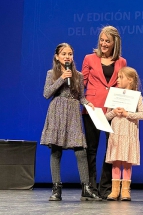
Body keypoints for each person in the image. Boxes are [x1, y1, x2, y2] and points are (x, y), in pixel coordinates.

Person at [40, 43, 99, 201]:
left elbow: (80, 96)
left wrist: (87, 103)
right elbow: (46, 93)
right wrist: (61, 79)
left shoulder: (78, 75)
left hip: (73, 112)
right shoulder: (51, 73)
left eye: (70, 54)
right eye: (64, 54)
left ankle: (86, 188)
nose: (67, 56)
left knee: (80, 150)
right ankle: (56, 189)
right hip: (57, 111)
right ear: (57, 56)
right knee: (56, 150)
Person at [81, 26, 127, 200]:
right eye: (102, 40)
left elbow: (123, 84)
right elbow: (82, 83)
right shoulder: (89, 58)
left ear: (115, 42)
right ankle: (90, 186)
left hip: (112, 110)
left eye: (108, 41)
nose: (104, 43)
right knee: (91, 149)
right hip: (92, 108)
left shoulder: (122, 62)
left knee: (110, 149)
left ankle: (106, 188)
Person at [104, 67, 143, 201]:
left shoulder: (137, 97)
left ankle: (125, 190)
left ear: (130, 80)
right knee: (116, 161)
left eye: (120, 77)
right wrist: (114, 112)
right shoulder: (114, 95)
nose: (117, 80)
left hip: (129, 133)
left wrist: (127, 114)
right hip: (116, 132)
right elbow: (107, 115)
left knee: (127, 161)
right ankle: (114, 190)